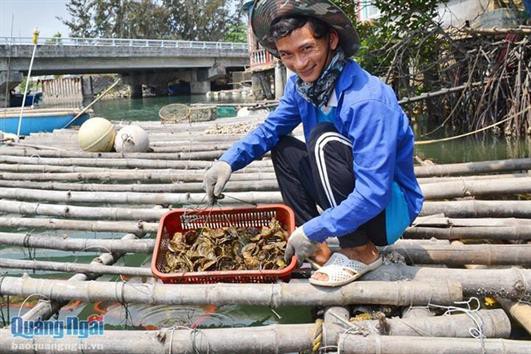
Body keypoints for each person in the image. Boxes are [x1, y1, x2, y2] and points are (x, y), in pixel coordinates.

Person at [203, 0, 423, 287]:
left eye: (307, 48)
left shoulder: (366, 101)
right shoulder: (301, 88)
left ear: (331, 40)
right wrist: (228, 161)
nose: (299, 64)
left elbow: (374, 192)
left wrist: (314, 228)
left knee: (322, 140)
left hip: (388, 211)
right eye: (287, 55)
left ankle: (361, 251)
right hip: (347, 192)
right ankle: (318, 249)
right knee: (282, 147)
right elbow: (271, 128)